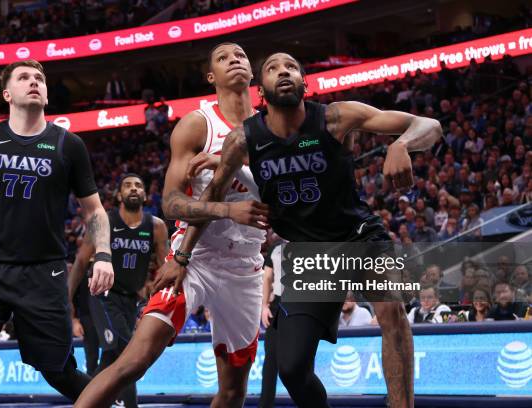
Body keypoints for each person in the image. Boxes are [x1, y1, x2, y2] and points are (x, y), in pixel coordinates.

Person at [157, 52, 443, 408]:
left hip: (358, 235)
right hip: (309, 253)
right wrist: (181, 255)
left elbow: (429, 125)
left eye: (292, 66)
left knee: (391, 311)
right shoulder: (243, 141)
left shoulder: (337, 117)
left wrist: (401, 143)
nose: (284, 71)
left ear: (305, 82)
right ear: (261, 90)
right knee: (291, 369)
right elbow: (213, 195)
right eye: (274, 68)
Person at [75, 43, 268, 408]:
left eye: (242, 55)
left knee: (233, 391)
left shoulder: (271, 127)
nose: (235, 61)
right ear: (211, 77)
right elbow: (171, 202)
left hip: (245, 268)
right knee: (133, 362)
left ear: (252, 71)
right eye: (224, 58)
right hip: (193, 259)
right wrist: (225, 211)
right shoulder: (198, 123)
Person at [0, 59, 114, 407]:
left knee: (57, 370)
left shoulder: (68, 145)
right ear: (6, 93)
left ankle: (109, 404)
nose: (34, 82)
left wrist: (103, 254)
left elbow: (94, 210)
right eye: (24, 77)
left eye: (39, 78)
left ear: (45, 93)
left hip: (44, 272)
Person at [68, 173, 168, 408]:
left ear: (146, 194)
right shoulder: (104, 222)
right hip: (103, 294)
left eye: (138, 185)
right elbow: (81, 262)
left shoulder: (156, 226)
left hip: (131, 299)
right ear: (119, 194)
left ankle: (91, 399)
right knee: (124, 348)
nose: (133, 189)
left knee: (115, 357)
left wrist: (157, 297)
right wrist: (68, 303)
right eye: (128, 185)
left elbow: (164, 268)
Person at [258, 235, 288, 408]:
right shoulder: (276, 247)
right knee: (271, 362)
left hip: (302, 308)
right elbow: (267, 277)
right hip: (277, 307)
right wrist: (264, 307)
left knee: (301, 362)